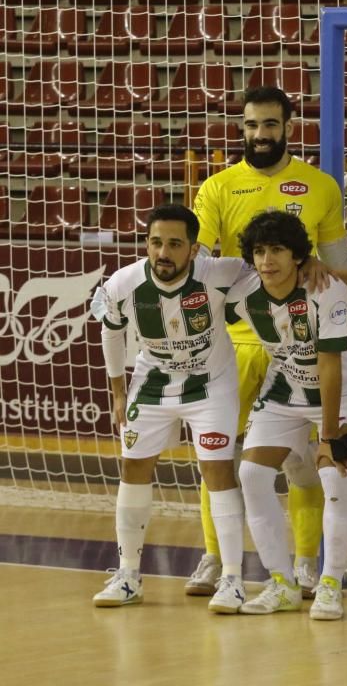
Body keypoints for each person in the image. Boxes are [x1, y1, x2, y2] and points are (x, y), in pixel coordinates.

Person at [187, 86, 347, 598]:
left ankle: (306, 564)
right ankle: (216, 558)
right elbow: (200, 261)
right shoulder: (217, 187)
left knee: (302, 462)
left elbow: (337, 262)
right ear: (241, 128)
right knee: (219, 454)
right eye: (251, 125)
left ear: (288, 127)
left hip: (301, 345)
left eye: (270, 125)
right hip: (234, 342)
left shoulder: (319, 186)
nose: (260, 135)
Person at [90, 204, 248, 613]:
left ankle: (232, 579)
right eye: (156, 242)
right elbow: (111, 332)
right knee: (133, 467)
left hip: (211, 385)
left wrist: (309, 264)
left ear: (194, 250)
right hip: (153, 382)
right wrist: (118, 392)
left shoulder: (220, 273)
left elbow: (269, 266)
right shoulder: (123, 282)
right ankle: (127, 575)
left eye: (175, 244)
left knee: (216, 469)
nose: (163, 252)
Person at [227, 210, 347, 621]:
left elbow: (330, 365)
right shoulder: (242, 291)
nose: (267, 260)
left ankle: (329, 585)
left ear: (297, 256)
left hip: (343, 390)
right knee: (252, 475)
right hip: (285, 387)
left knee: (333, 473)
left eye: (277, 250)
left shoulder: (326, 290)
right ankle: (282, 583)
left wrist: (327, 436)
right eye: (259, 251)